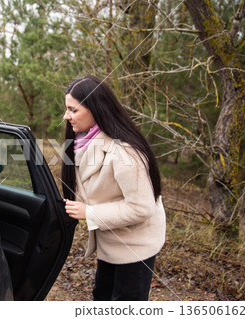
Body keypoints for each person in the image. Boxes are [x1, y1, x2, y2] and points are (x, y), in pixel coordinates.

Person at [61, 75, 166, 301]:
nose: (66, 116)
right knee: (102, 297)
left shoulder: (125, 152)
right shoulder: (82, 142)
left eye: (73, 110)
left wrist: (89, 213)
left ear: (96, 109)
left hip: (135, 247)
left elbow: (142, 208)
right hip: (110, 242)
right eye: (67, 109)